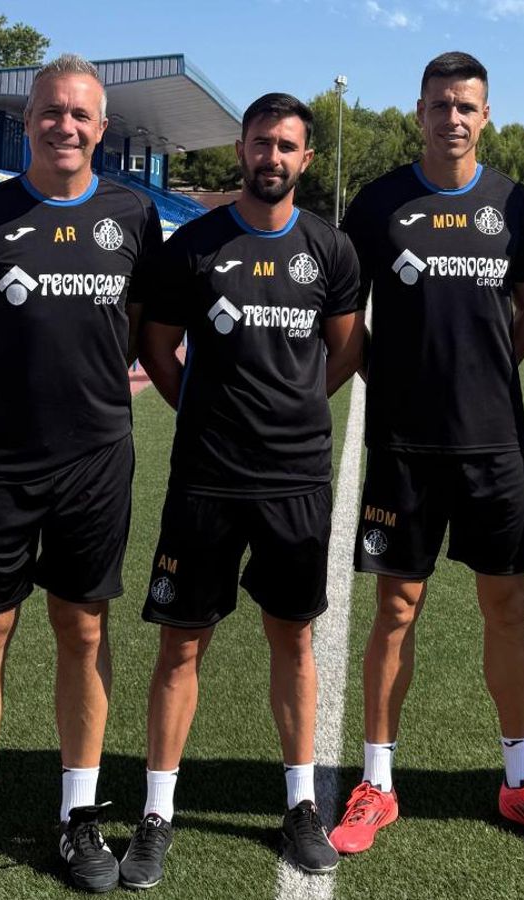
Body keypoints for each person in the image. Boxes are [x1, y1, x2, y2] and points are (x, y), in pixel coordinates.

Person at [0, 54, 164, 899]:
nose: (66, 125)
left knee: (83, 630)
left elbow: (132, 328)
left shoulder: (133, 215)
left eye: (81, 114)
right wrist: (6, 406)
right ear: (28, 120)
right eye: (51, 111)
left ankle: (78, 814)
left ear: (102, 128)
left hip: (95, 460)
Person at [327, 51, 524, 853]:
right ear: (420, 112)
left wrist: (486, 375)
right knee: (396, 608)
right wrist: (394, 377)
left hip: (492, 441)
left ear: (486, 115)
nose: (453, 118)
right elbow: (344, 312)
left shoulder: (514, 202)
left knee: (506, 606)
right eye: (440, 104)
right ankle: (377, 782)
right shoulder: (379, 203)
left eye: (466, 105)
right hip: (403, 442)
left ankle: (521, 780)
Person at [121, 92, 364, 887]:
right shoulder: (194, 245)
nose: (273, 157)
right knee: (181, 642)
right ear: (241, 150)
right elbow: (156, 347)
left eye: (287, 146)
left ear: (306, 159)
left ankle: (301, 805)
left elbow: (345, 350)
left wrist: (294, 411)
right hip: (207, 475)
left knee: (293, 639)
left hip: (295, 477)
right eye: (262, 143)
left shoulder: (330, 249)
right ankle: (157, 812)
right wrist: (202, 411)